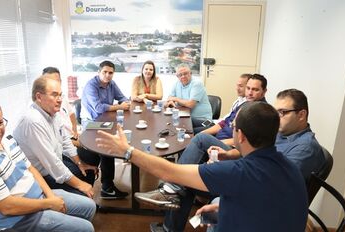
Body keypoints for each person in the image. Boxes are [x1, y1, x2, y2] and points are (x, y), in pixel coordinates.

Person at [95, 102, 308, 232]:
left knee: (183, 184)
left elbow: (169, 171)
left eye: (233, 128)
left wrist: (127, 151)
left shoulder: (237, 172)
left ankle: (171, 195)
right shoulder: (290, 167)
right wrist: (222, 207)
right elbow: (266, 199)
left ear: (240, 135)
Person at [133, 74, 268, 210]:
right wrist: (198, 137)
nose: (249, 92)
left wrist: (211, 141)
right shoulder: (245, 104)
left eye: (255, 90)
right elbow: (223, 124)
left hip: (231, 150)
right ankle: (170, 217)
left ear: (264, 91)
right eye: (248, 88)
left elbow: (242, 142)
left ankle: (172, 186)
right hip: (221, 142)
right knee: (187, 179)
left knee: (200, 140)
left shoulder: (259, 112)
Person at [0, 99, 96, 232]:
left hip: (39, 198)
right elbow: (7, 207)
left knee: (89, 206)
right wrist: (49, 204)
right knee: (85, 228)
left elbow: (30, 168)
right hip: (17, 220)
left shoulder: (6, 140)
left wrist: (50, 196)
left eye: (0, 123)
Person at [13, 76, 96, 198]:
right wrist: (80, 185)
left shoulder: (52, 113)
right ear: (39, 97)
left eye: (60, 95)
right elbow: (52, 162)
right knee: (81, 192)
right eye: (54, 95)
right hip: (40, 176)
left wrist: (79, 162)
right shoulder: (33, 121)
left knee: (88, 171)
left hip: (54, 163)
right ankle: (84, 204)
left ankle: (87, 201)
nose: (60, 100)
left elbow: (65, 140)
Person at [216, 88, 326, 180]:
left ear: (301, 115)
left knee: (216, 196)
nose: (276, 117)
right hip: (248, 174)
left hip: (261, 196)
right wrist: (228, 155)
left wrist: (228, 172)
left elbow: (273, 182)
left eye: (282, 112)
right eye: (275, 112)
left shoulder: (305, 148)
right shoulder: (280, 133)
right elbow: (252, 150)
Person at [80, 60, 129, 199]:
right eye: (105, 72)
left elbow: (122, 97)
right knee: (108, 143)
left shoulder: (111, 84)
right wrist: (120, 107)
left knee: (120, 129)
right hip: (90, 123)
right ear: (99, 72)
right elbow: (99, 108)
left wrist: (125, 102)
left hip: (104, 120)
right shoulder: (91, 85)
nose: (107, 75)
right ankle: (107, 187)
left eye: (110, 73)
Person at [42, 67, 99, 186]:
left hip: (70, 137)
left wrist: (74, 129)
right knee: (91, 153)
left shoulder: (61, 99)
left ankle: (90, 190)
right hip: (61, 150)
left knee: (95, 148)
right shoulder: (40, 114)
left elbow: (72, 114)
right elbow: (59, 142)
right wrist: (79, 143)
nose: (54, 85)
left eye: (57, 81)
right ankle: (87, 191)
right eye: (50, 81)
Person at [165, 63, 212, 130]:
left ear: (190, 73)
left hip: (203, 120)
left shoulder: (197, 83)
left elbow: (190, 104)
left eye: (185, 73)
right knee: (171, 125)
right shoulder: (177, 83)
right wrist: (171, 101)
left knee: (183, 131)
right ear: (177, 76)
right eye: (180, 75)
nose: (183, 76)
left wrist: (175, 99)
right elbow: (169, 98)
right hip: (187, 117)